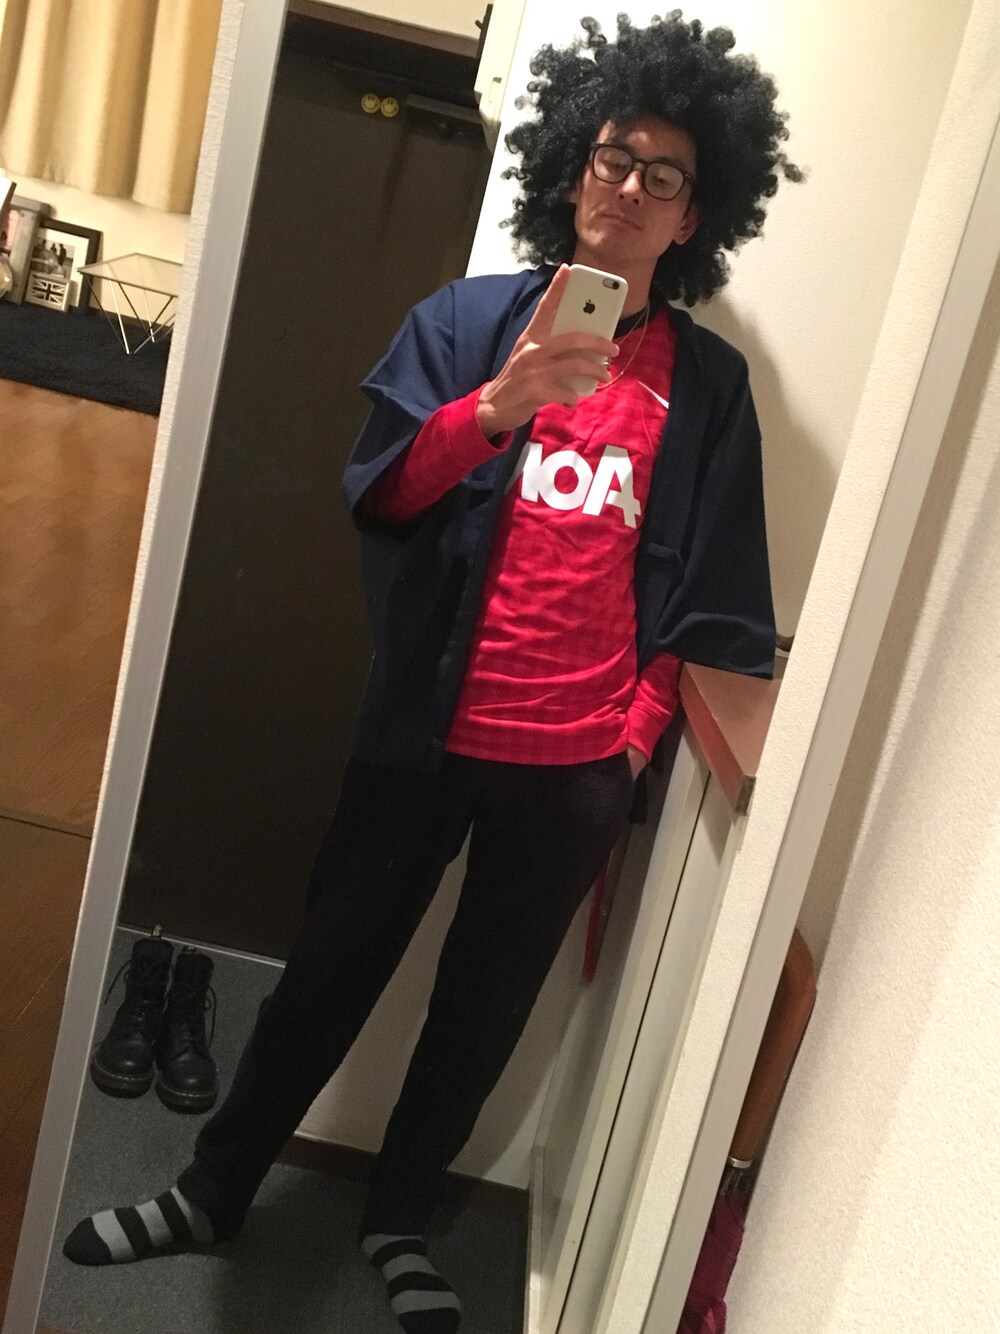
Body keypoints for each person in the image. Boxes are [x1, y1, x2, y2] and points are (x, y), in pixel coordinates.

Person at [63, 12, 800, 1333]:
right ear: (575, 168)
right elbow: (386, 494)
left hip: (573, 771)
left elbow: (707, 588)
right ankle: (214, 1188)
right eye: (616, 157)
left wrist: (631, 740)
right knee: (329, 967)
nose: (632, 187)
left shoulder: (709, 389)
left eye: (666, 175)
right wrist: (500, 406)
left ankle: (399, 1220)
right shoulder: (464, 325)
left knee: (480, 1012)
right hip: (424, 734)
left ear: (695, 217)